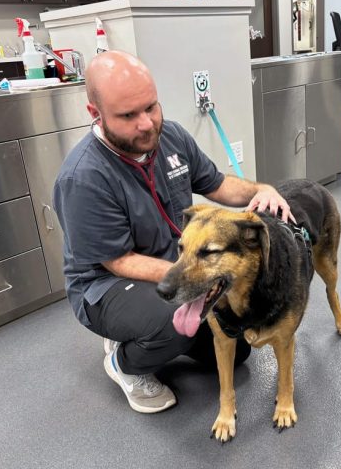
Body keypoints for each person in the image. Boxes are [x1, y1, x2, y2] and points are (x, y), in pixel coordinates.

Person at [53, 51, 294, 414]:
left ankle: (147, 323)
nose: (147, 124)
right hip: (104, 285)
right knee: (173, 320)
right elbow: (117, 261)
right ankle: (123, 363)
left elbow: (217, 185)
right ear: (95, 114)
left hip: (175, 262)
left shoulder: (173, 138)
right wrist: (191, 278)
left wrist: (263, 190)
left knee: (237, 344)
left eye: (151, 107)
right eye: (128, 115)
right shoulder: (83, 177)